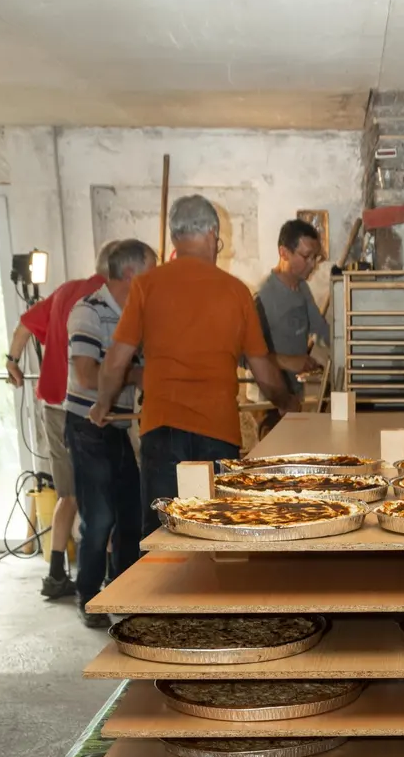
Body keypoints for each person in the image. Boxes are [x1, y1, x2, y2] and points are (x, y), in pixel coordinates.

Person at [91, 194, 294, 532]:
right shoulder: (235, 292)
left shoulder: (145, 286)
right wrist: (287, 402)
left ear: (174, 238)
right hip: (217, 433)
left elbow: (115, 362)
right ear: (213, 235)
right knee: (214, 532)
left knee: (161, 534)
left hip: (161, 430)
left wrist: (102, 404)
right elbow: (263, 371)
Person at [6, 245, 111, 600]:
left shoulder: (66, 291)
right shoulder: (107, 298)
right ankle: (108, 575)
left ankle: (54, 574)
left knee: (68, 494)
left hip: (52, 404)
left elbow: (24, 325)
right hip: (87, 408)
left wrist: (12, 361)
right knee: (104, 494)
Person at [65, 238, 156, 622]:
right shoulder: (88, 311)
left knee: (131, 512)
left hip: (116, 425)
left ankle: (122, 590)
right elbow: (86, 376)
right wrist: (138, 373)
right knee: (99, 517)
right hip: (88, 425)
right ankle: (88, 595)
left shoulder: (137, 314)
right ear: (132, 273)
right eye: (152, 269)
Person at [254, 219, 330, 398]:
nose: (313, 264)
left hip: (294, 393)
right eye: (307, 257)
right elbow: (244, 356)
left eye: (315, 257)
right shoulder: (263, 297)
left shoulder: (302, 287)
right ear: (284, 253)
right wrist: (288, 361)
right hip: (269, 398)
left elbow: (321, 331)